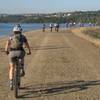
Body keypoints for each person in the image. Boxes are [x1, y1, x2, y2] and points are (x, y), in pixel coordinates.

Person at [5, 25, 31, 89]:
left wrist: (6, 51)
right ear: (20, 31)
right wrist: (29, 51)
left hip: (12, 53)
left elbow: (7, 44)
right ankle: (22, 67)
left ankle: (11, 82)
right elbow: (26, 45)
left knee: (12, 67)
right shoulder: (23, 37)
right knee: (22, 55)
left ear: (14, 31)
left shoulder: (11, 36)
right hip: (20, 52)